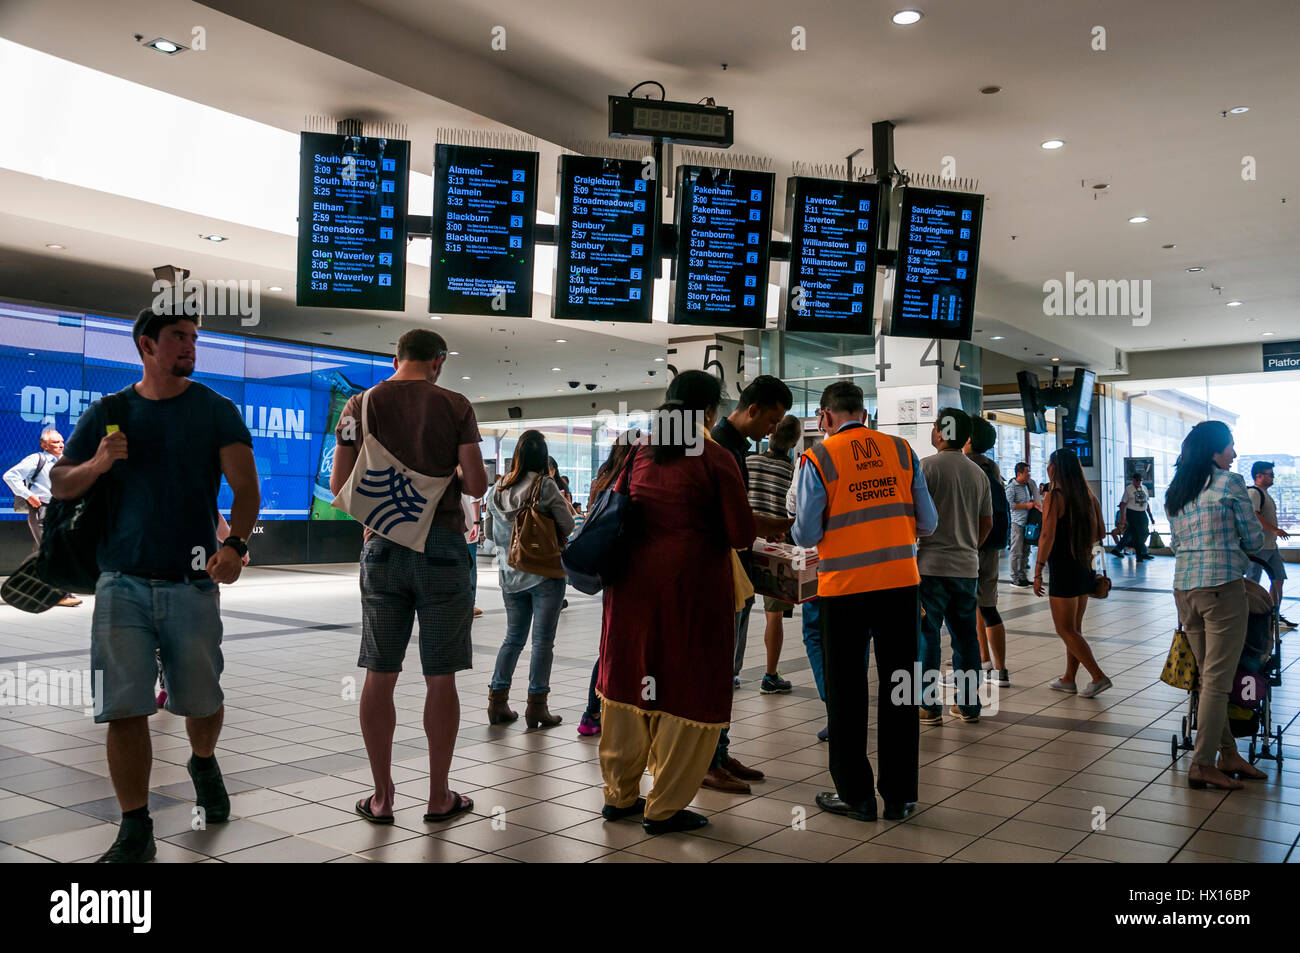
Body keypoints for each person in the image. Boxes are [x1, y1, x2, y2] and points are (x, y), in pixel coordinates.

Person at [51, 308, 260, 863]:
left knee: (201, 699)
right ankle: (135, 827)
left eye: (193, 338)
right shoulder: (110, 412)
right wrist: (96, 463)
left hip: (191, 581)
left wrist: (235, 547)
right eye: (178, 338)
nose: (190, 346)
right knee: (124, 707)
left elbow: (246, 490)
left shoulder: (216, 410)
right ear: (147, 345)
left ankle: (203, 760)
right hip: (119, 580)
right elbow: (60, 482)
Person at [331, 328, 486, 827]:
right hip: (441, 546)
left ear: (396, 359)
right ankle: (439, 795)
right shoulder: (456, 405)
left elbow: (340, 486)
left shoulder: (358, 405)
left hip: (381, 546)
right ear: (438, 361)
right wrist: (448, 476)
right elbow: (478, 483)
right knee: (440, 676)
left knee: (380, 672)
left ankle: (381, 797)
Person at [597, 372, 756, 834]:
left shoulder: (638, 451)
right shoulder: (713, 456)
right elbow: (741, 534)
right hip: (693, 592)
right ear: (709, 411)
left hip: (629, 591)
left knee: (630, 683)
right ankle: (663, 807)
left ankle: (620, 796)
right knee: (687, 690)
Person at [795, 381, 937, 823]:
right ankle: (901, 797)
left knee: (846, 691)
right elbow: (928, 522)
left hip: (844, 589)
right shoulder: (901, 451)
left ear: (826, 416)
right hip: (900, 585)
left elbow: (804, 534)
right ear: (865, 413)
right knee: (900, 687)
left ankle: (856, 795)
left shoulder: (817, 457)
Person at [702, 375, 793, 794]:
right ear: (752, 410)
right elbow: (727, 517)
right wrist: (774, 525)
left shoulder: (738, 448)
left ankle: (720, 751)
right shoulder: (719, 448)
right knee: (719, 667)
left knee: (730, 667)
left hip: (736, 569)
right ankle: (709, 760)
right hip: (720, 569)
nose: (773, 430)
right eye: (772, 420)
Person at [1166, 421, 1268, 789]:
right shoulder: (1230, 483)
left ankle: (1227, 755)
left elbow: (1176, 545)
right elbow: (1254, 539)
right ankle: (1202, 764)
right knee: (1218, 680)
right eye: (1230, 447)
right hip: (1222, 588)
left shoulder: (1176, 492)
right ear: (1214, 450)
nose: (1235, 455)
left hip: (1184, 591)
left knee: (1209, 677)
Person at [486, 430, 575, 728]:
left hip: (509, 577)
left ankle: (497, 702)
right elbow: (568, 523)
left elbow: (488, 535)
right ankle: (537, 706)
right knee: (542, 643)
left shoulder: (496, 488)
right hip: (544, 575)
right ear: (542, 456)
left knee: (513, 638)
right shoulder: (545, 486)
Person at [917, 409, 992, 725]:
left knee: (927, 636)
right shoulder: (977, 473)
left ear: (940, 432)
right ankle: (969, 705)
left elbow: (915, 519)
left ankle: (928, 705)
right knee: (966, 638)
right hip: (966, 569)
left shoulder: (926, 468)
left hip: (931, 567)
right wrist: (969, 545)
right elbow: (986, 522)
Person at [578, 429, 643, 738]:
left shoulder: (600, 481)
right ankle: (596, 710)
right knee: (620, 647)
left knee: (610, 643)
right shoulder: (631, 482)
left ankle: (595, 712)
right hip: (630, 571)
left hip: (607, 570)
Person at [1034, 448, 1111, 697]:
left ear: (1055, 468)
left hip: (1063, 567)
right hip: (1084, 565)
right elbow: (1100, 532)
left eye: (1049, 464)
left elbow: (1047, 535)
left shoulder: (1055, 496)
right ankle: (1069, 679)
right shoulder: (1090, 497)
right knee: (1074, 629)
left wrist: (1038, 570)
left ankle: (1098, 676)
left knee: (1064, 629)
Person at [746, 414, 803, 695]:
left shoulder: (748, 461)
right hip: (775, 550)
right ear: (793, 442)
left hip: (744, 544)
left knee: (737, 611)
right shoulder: (792, 472)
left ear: (770, 435)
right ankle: (770, 676)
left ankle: (730, 671)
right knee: (774, 617)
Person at [4, 428, 81, 606]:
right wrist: (27, 495)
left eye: (62, 441)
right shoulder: (36, 459)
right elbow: (10, 475)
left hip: (61, 511)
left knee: (46, 552)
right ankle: (61, 594)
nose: (61, 444)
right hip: (42, 511)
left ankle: (23, 584)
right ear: (44, 445)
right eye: (55, 442)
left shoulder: (65, 461)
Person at [965, 414, 1011, 686]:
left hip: (969, 545)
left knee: (967, 607)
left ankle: (977, 663)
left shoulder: (964, 465)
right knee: (988, 606)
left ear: (967, 439)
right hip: (991, 546)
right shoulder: (992, 467)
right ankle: (998, 668)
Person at [1246, 461, 1295, 628]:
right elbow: (1254, 515)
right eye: (1270, 474)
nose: (1273, 477)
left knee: (1278, 579)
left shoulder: (1265, 494)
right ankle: (1252, 617)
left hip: (1271, 547)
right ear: (1258, 476)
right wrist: (1275, 530)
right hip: (1259, 547)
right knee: (1252, 583)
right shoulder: (1254, 493)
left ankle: (1272, 614)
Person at [1006, 462, 1040, 587]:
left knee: (1026, 551)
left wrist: (1031, 503)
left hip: (1027, 523)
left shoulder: (1026, 486)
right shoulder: (1011, 487)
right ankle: (1014, 578)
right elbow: (1010, 506)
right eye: (1027, 472)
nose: (1029, 475)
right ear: (1019, 473)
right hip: (1017, 524)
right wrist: (1026, 505)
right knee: (1016, 552)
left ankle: (1022, 576)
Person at [1113, 470, 1153, 561]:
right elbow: (1123, 504)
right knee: (1136, 534)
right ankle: (1140, 555)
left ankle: (1118, 549)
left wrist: (1151, 516)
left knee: (1144, 532)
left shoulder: (1144, 488)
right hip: (1132, 513)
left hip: (1142, 513)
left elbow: (1147, 503)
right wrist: (1123, 518)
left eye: (1140, 481)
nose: (1138, 482)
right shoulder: (1129, 489)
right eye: (1137, 480)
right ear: (1133, 480)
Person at [462, 492, 484, 617]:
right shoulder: (469, 473)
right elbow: (474, 499)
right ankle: (470, 604)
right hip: (469, 528)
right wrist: (476, 524)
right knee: (471, 567)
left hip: (448, 526)